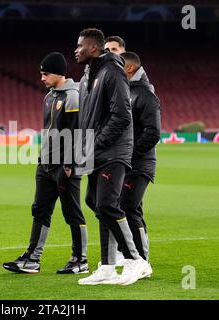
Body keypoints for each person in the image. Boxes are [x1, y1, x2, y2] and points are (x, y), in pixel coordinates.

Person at [74, 28, 150, 286]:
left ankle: (135, 260)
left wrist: (95, 144)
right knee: (95, 201)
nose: (76, 50)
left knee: (107, 204)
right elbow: (87, 119)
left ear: (93, 49)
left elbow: (121, 116)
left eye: (80, 45)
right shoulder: (90, 75)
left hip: (114, 151)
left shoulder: (112, 70)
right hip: (97, 151)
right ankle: (107, 267)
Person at [3, 52, 88, 274]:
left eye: (45, 73)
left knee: (72, 212)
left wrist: (69, 164)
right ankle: (32, 259)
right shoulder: (49, 97)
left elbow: (76, 131)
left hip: (66, 166)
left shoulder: (73, 96)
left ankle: (80, 259)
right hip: (46, 164)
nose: (41, 78)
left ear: (59, 74)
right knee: (40, 210)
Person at [119, 52, 160, 272]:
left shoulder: (144, 95)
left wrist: (130, 153)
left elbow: (153, 132)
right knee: (127, 207)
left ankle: (141, 261)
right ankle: (132, 258)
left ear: (130, 69)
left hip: (140, 163)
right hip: (127, 162)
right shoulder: (127, 92)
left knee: (129, 207)